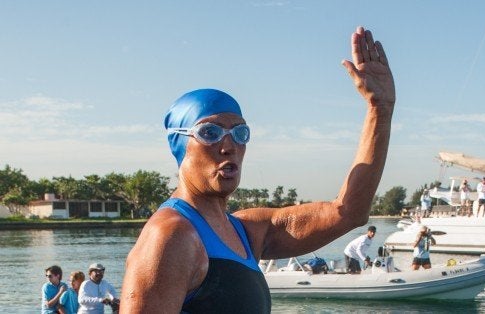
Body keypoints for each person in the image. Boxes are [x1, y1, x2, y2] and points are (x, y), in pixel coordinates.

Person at [120, 26, 395, 313]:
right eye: (210, 133)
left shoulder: (245, 232)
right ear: (180, 145)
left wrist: (379, 109)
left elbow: (348, 212)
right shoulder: (171, 236)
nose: (229, 146)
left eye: (240, 134)